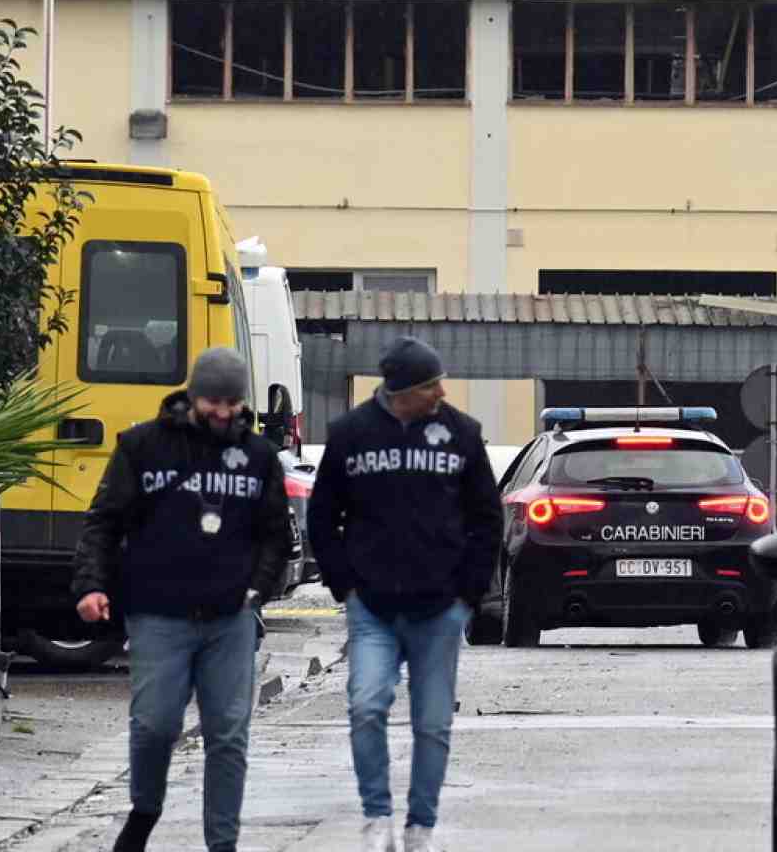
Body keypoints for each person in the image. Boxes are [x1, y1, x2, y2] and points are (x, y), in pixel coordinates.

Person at [71, 347, 292, 852]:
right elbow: (104, 521)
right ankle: (144, 811)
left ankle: (222, 843)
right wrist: (91, 585)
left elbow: (276, 535)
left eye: (232, 403)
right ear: (192, 396)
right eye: (213, 400)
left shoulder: (258, 458)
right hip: (157, 613)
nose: (222, 412)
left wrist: (257, 587)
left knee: (228, 734)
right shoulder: (144, 447)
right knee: (155, 725)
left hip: (230, 617)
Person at [309, 337, 501, 852]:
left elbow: (487, 518)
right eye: (429, 385)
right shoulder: (351, 435)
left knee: (432, 723)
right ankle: (377, 817)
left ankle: (421, 828)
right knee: (366, 706)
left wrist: (469, 593)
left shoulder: (461, 434)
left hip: (440, 607)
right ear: (399, 391)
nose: (441, 391)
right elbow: (323, 517)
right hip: (371, 606)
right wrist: (343, 585)